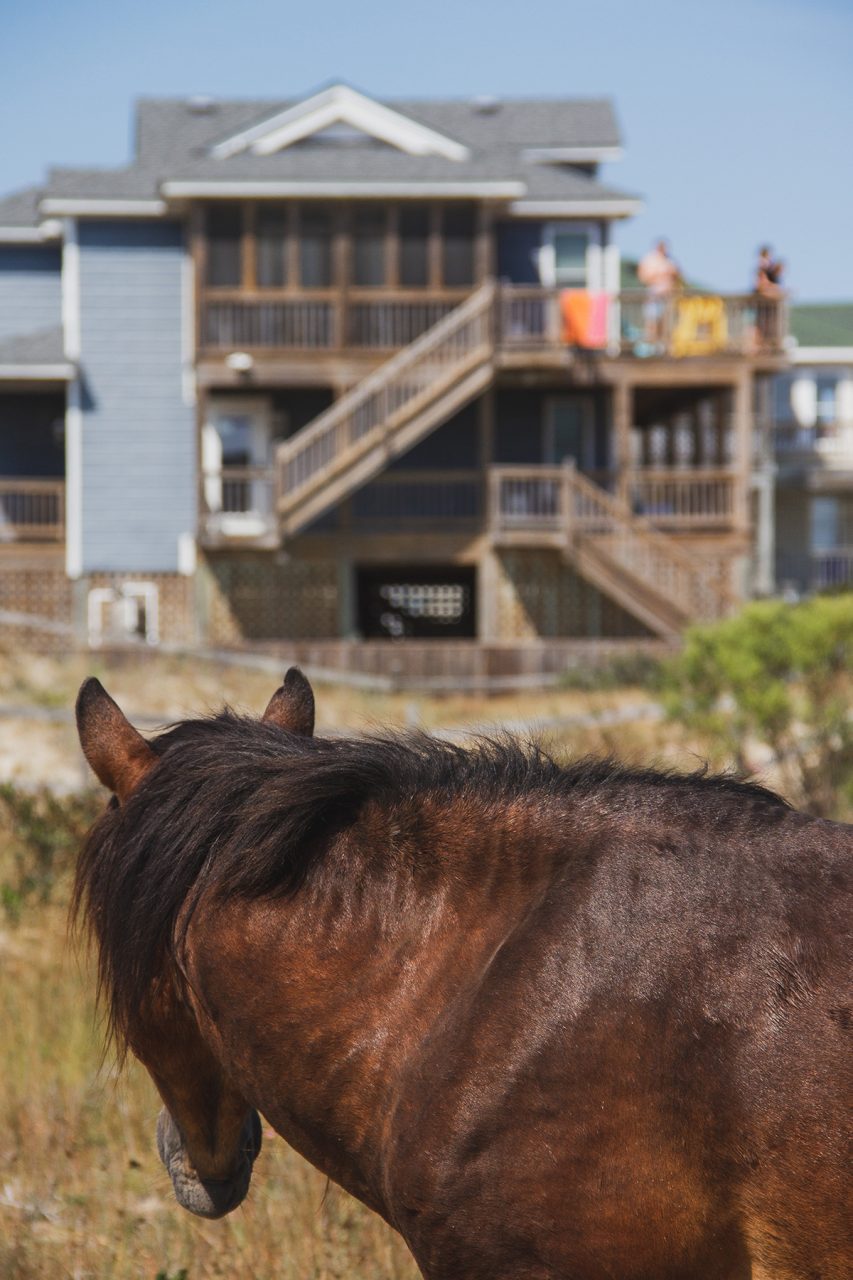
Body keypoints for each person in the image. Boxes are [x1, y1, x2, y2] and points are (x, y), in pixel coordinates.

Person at [637, 239, 681, 348]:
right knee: (652, 322)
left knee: (665, 323)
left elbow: (678, 274)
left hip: (668, 296)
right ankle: (651, 347)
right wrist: (659, 275)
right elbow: (642, 276)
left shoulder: (670, 260)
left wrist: (672, 274)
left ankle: (663, 347)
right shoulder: (649, 259)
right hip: (654, 295)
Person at [753, 245, 786, 349]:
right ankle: (763, 346)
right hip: (763, 305)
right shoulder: (762, 270)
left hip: (769, 306)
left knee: (769, 328)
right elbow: (760, 285)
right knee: (762, 328)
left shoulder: (770, 270)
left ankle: (768, 346)